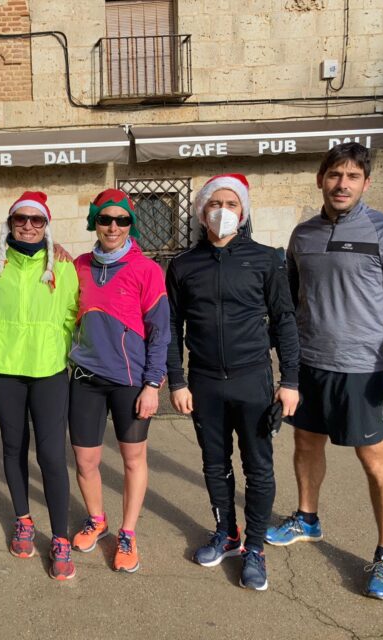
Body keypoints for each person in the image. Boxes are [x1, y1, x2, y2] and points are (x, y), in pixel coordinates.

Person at [265, 142, 383, 601]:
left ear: (366, 183)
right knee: (305, 442)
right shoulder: (304, 234)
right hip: (310, 365)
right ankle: (307, 518)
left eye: (353, 177)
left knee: (375, 460)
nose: (342, 184)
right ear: (321, 179)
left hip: (362, 369)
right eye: (335, 175)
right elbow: (292, 299)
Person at [166, 174, 300, 591]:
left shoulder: (265, 259)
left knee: (258, 468)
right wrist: (177, 380)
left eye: (231, 204)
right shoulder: (183, 264)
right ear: (202, 211)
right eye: (214, 204)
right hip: (205, 383)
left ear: (243, 213)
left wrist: (289, 379)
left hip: (252, 381)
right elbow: (172, 326)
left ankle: (255, 547)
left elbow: (284, 321)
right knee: (214, 464)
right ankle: (226, 532)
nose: (222, 211)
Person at [0, 191, 79, 580]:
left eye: (37, 220)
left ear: (47, 226)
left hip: (49, 370)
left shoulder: (64, 268)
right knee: (14, 446)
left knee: (51, 454)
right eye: (22, 220)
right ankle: (23, 519)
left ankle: (61, 537)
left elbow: (74, 316)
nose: (29, 226)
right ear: (10, 224)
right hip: (4, 371)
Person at [68, 188, 170, 573]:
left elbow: (161, 331)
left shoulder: (147, 270)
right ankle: (97, 519)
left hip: (130, 381)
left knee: (132, 459)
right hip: (85, 378)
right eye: (105, 219)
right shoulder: (77, 265)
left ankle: (127, 533)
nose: (113, 226)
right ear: (94, 221)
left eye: (122, 219)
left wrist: (152, 384)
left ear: (131, 224)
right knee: (86, 460)